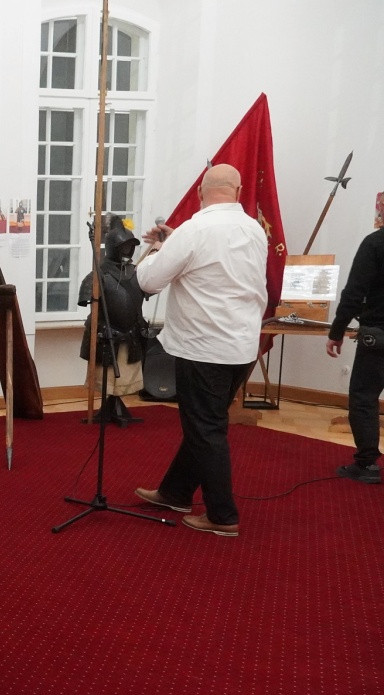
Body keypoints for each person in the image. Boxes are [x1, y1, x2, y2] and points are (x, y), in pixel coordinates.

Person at [132, 164, 268, 536]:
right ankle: (175, 492)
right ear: (238, 191)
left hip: (203, 347)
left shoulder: (194, 230)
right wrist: (174, 243)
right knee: (205, 423)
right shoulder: (254, 230)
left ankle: (222, 515)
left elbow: (149, 281)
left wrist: (161, 249)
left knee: (206, 428)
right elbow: (217, 262)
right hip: (242, 346)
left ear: (199, 193)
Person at [325, 225, 384, 483]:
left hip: (378, 335)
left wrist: (337, 331)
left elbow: (354, 292)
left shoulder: (375, 243)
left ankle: (367, 464)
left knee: (363, 397)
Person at [77, 216, 149, 396]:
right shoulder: (98, 275)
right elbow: (87, 301)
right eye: (123, 246)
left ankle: (116, 405)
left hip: (132, 336)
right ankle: (108, 405)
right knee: (105, 381)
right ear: (113, 248)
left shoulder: (137, 273)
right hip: (106, 339)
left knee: (127, 378)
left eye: (129, 246)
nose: (127, 250)